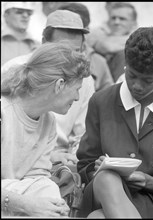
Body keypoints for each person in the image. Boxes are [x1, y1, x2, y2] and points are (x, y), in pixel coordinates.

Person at [76, 27, 153, 218]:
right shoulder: (101, 102)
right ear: (125, 63)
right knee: (107, 178)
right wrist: (98, 169)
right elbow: (85, 163)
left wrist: (149, 182)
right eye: (131, 75)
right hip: (100, 193)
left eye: (148, 80)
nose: (137, 86)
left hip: (152, 207)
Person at [1, 40, 90, 217]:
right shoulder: (4, 113)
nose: (78, 97)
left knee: (47, 188)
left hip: (16, 197)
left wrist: (52, 205)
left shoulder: (48, 122)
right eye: (76, 89)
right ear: (59, 85)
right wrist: (25, 204)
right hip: (11, 201)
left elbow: (36, 177)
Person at [1, 9, 95, 167]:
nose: (70, 57)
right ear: (44, 42)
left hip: (60, 155)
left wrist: (73, 156)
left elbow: (83, 132)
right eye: (62, 50)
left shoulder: (84, 79)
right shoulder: (14, 68)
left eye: (77, 51)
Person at [58, 2, 114, 91]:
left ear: (86, 30)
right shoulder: (41, 58)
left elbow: (107, 98)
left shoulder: (98, 63)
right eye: (61, 29)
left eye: (73, 31)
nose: (66, 35)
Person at [86, 2, 138, 82]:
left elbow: (107, 46)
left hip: (127, 82)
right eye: (113, 18)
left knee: (123, 54)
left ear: (134, 23)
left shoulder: (140, 36)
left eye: (122, 19)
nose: (116, 22)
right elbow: (106, 46)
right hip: (99, 81)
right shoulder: (99, 32)